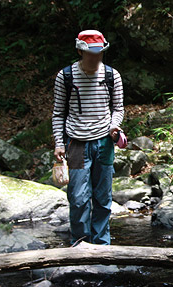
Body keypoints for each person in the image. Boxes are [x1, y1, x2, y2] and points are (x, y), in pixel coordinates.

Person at [52, 30, 125, 246]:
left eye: (99, 54)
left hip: (104, 142)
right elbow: (58, 113)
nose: (95, 59)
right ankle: (80, 245)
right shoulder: (65, 76)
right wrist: (58, 142)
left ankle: (102, 246)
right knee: (78, 199)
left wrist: (114, 127)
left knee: (103, 200)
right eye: (91, 54)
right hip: (75, 143)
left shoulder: (113, 75)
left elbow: (118, 109)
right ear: (80, 51)